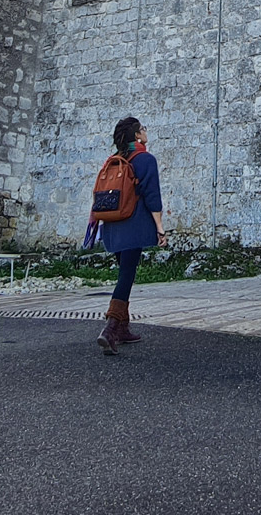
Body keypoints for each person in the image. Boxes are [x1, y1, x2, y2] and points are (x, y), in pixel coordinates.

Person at [96, 116, 165, 354]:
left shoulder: (113, 160)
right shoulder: (146, 159)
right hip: (133, 226)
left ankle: (123, 328)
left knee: (124, 273)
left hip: (111, 225)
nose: (146, 132)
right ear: (137, 135)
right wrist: (159, 227)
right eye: (143, 129)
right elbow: (152, 196)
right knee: (127, 275)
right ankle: (110, 328)